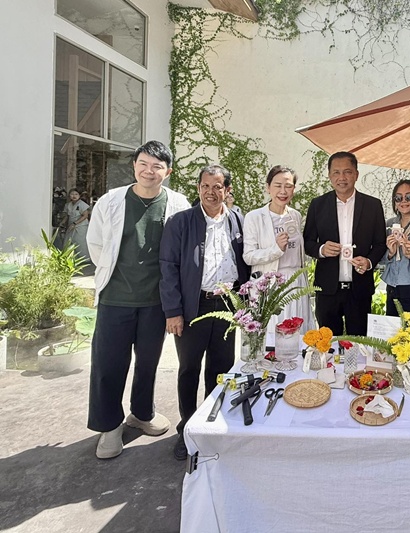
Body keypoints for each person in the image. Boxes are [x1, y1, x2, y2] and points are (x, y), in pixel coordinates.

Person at [86, 140, 191, 460]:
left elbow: (181, 250)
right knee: (109, 364)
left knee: (148, 362)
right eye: (143, 164)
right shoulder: (111, 201)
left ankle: (142, 414)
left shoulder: (178, 203)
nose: (149, 171)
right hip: (115, 298)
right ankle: (109, 427)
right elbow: (96, 244)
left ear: (167, 172)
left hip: (155, 302)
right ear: (134, 166)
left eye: (157, 166)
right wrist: (116, 275)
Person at [160, 164, 250, 461]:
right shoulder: (181, 222)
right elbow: (168, 268)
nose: (210, 192)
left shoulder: (237, 220)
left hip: (227, 305)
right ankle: (187, 429)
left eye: (217, 187)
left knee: (222, 369)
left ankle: (214, 425)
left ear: (227, 190)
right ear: (198, 188)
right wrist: (173, 311)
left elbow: (247, 262)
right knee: (189, 369)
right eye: (205, 186)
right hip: (192, 306)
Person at [303, 152, 387, 335]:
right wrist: (322, 249)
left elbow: (380, 243)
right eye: (336, 172)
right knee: (327, 343)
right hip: (327, 289)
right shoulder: (318, 205)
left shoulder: (372, 205)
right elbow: (307, 242)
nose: (342, 178)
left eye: (347, 172)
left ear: (356, 174)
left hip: (359, 290)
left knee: (359, 343)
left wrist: (369, 262)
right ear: (329, 175)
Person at [243, 165, 313, 334]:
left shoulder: (295, 215)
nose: (283, 191)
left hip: (296, 282)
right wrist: (276, 249)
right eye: (278, 185)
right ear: (268, 187)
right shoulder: (254, 217)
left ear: (293, 189)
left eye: (288, 186)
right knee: (273, 335)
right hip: (271, 284)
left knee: (298, 332)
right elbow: (248, 256)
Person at [380, 179, 410, 316]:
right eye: (398, 198)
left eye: (409, 197)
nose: (403, 201)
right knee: (392, 327)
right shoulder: (389, 224)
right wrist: (390, 253)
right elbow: (379, 259)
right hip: (392, 285)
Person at [62, 188, 91, 265]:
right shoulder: (68, 205)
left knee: (80, 242)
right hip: (70, 226)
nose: (74, 196)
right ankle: (71, 259)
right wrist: (62, 223)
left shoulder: (82, 204)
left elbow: (85, 216)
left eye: (76, 194)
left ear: (79, 196)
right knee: (69, 241)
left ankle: (84, 259)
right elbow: (67, 216)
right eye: (72, 194)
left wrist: (75, 223)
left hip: (80, 226)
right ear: (69, 195)